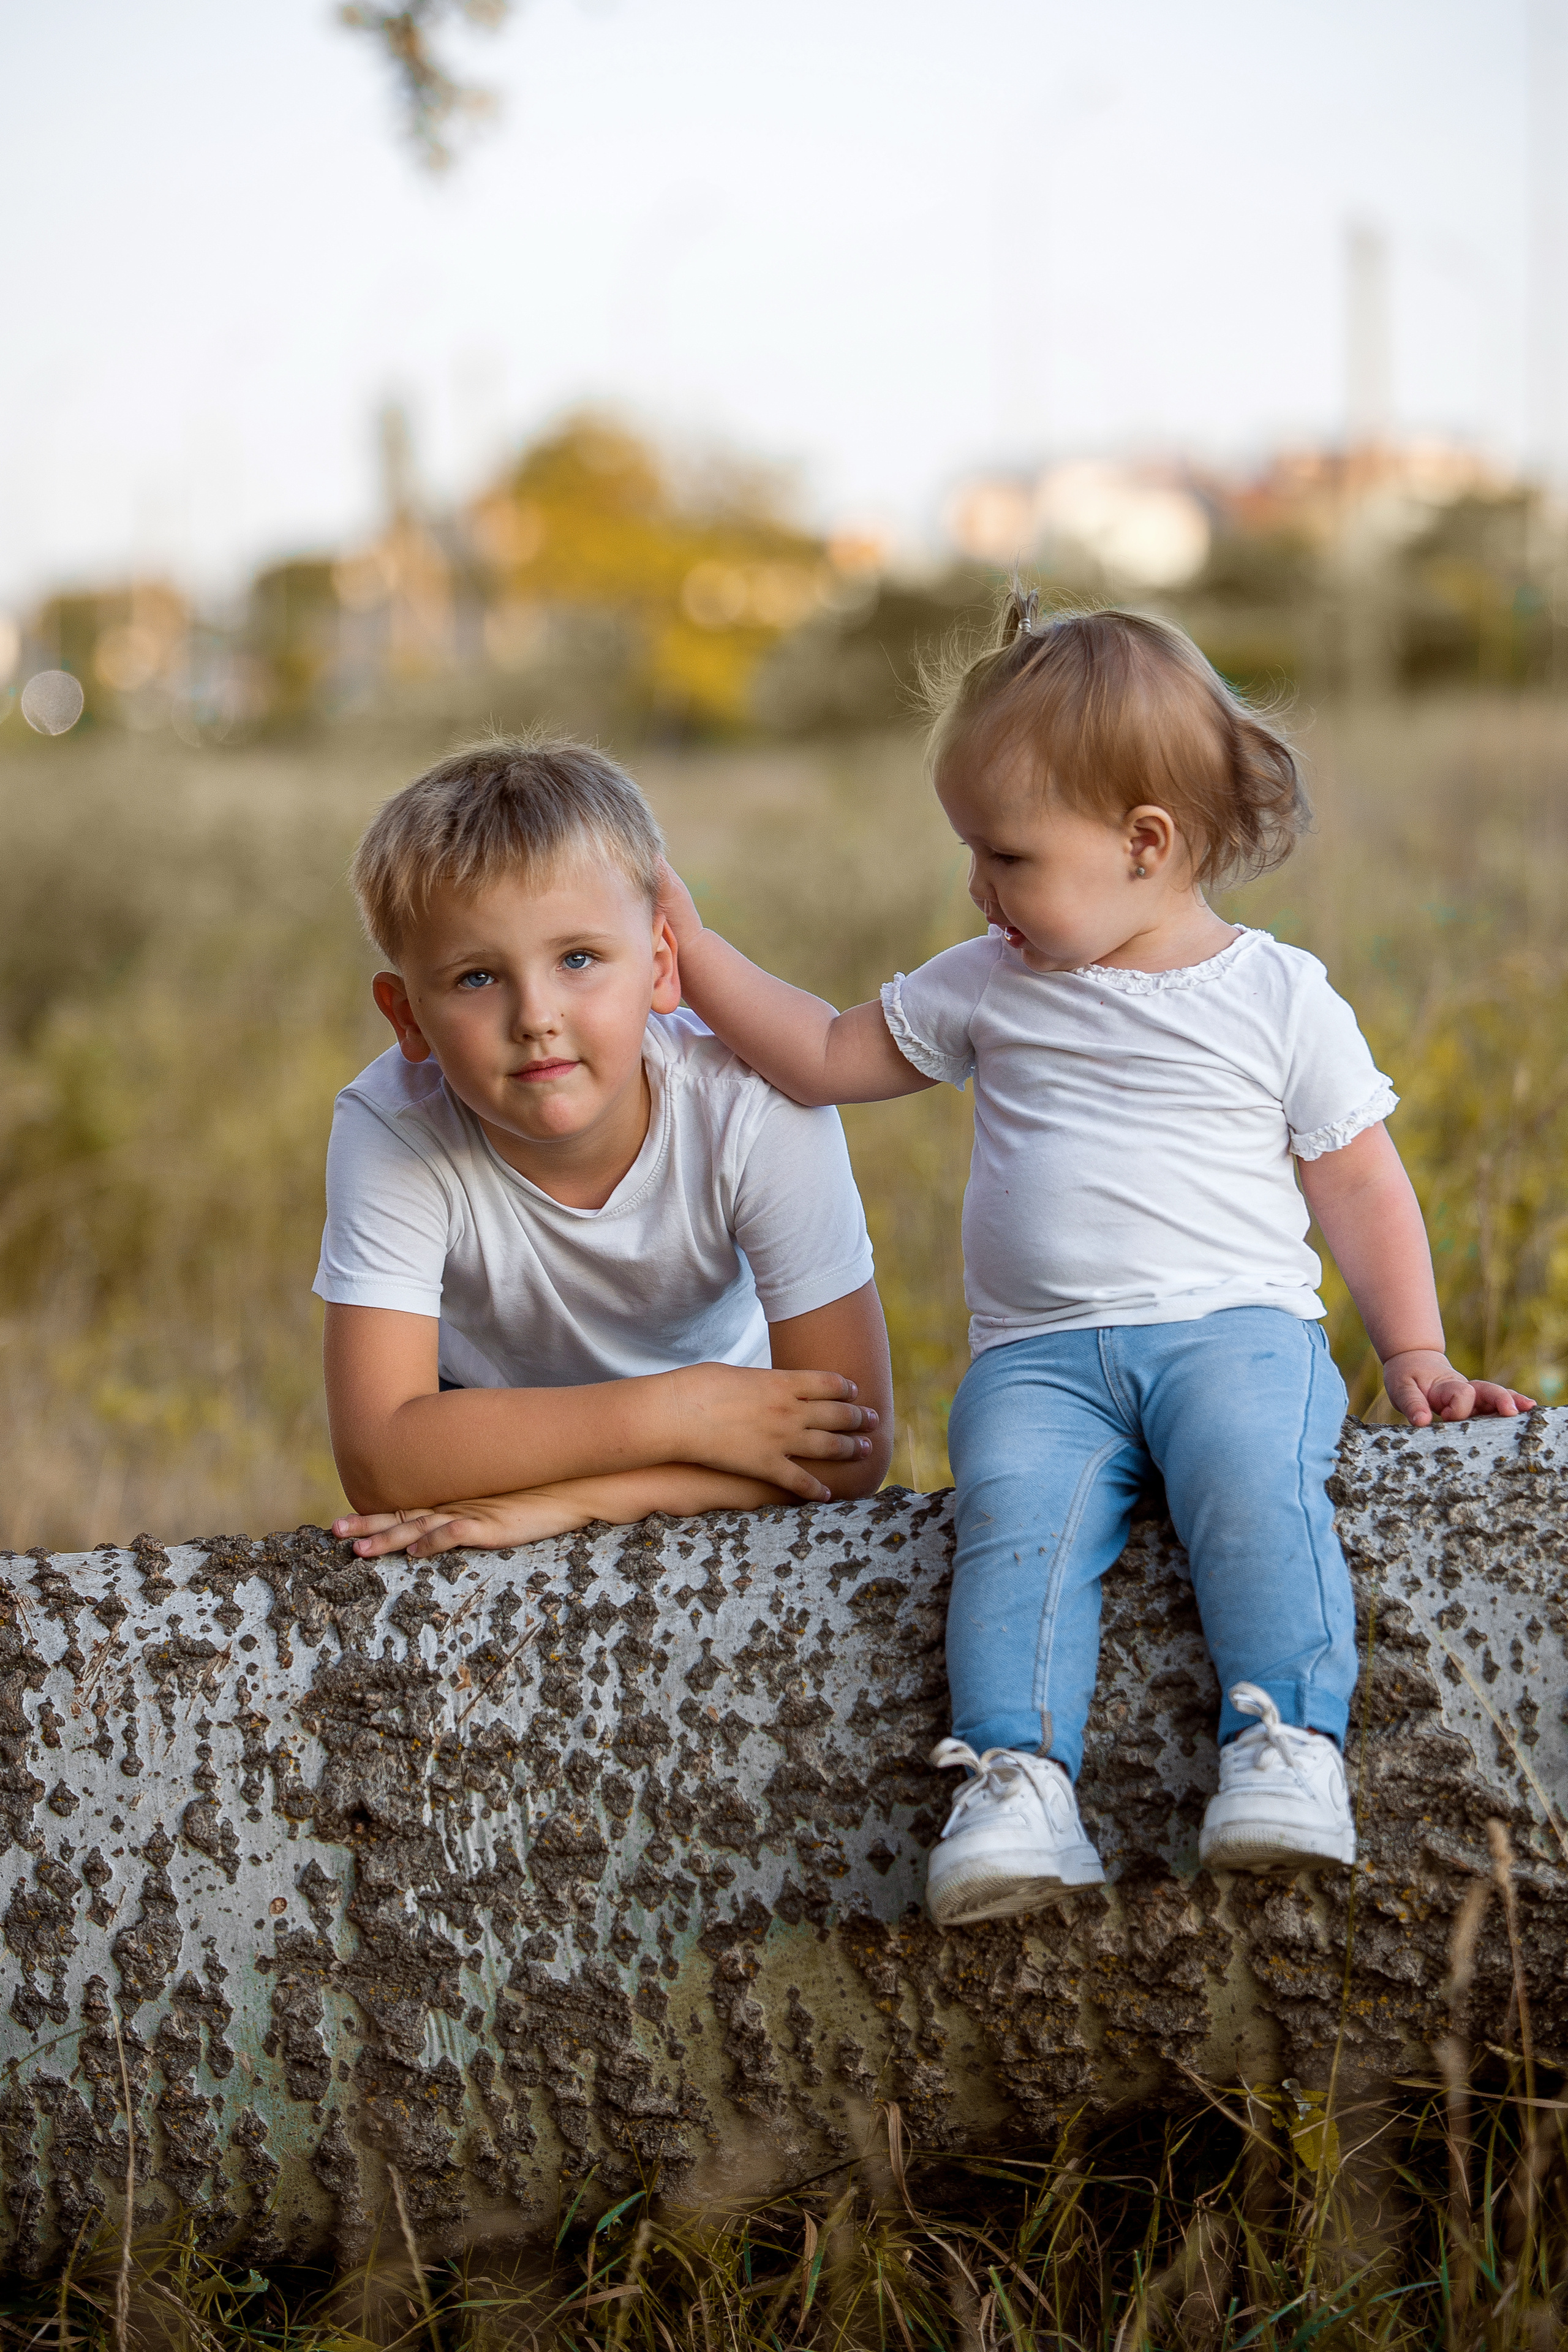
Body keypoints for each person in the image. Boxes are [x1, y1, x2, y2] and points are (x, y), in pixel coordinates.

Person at [657, 594, 1534, 1929]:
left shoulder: (1274, 993)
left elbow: (1357, 1178)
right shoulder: (986, 979)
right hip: (1038, 1362)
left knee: (1253, 1487)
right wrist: (696, 951)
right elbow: (824, 1054)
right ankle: (1015, 1781)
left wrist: (1413, 1349)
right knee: (1011, 1523)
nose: (978, 887)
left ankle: (1286, 1744)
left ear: (1144, 842)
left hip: (1235, 1331)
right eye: (971, 851)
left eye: (1006, 855)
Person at [317, 736, 892, 1562]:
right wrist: (678, 1412)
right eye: (477, 977)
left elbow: (852, 1448)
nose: (535, 1017)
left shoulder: (751, 1105)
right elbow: (380, 1458)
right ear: (407, 1016)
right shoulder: (393, 1127)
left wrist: (569, 1506)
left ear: (661, 966)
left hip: (740, 1428)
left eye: (578, 958)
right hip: (513, 1422)